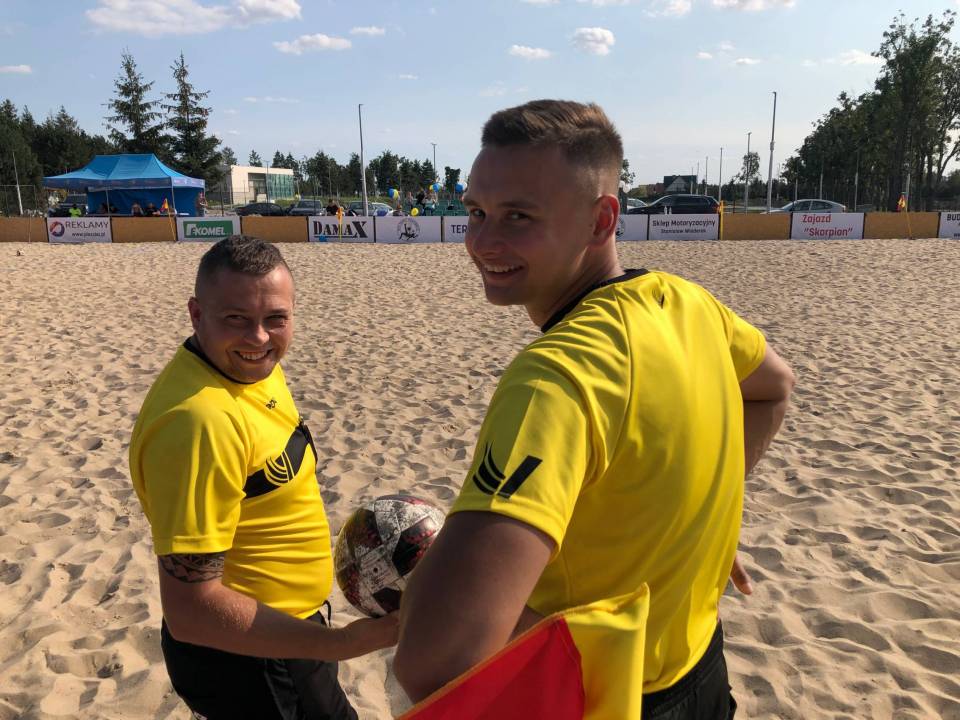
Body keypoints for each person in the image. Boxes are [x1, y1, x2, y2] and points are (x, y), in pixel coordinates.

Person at [394, 100, 796, 717]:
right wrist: (694, 525)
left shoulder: (555, 377)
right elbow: (774, 387)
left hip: (601, 697)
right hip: (702, 671)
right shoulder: (687, 303)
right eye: (475, 212)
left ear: (601, 219)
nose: (482, 241)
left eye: (518, 216)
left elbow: (433, 661)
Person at [129, 236, 397, 719]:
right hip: (252, 658)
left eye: (275, 318)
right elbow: (191, 611)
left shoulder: (251, 368)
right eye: (236, 318)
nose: (258, 338)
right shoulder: (199, 424)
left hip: (290, 638)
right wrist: (343, 643)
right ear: (196, 314)